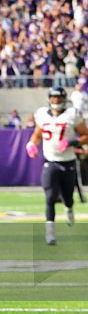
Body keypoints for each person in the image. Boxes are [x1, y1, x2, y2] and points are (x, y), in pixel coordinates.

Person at [26, 87, 88, 245]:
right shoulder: (41, 114)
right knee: (49, 197)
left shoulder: (72, 115)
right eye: (53, 98)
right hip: (50, 161)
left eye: (59, 97)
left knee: (68, 197)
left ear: (64, 98)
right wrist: (31, 144)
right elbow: (38, 134)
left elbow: (86, 135)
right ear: (49, 99)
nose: (56, 100)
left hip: (68, 162)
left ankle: (69, 208)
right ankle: (50, 233)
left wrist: (72, 142)